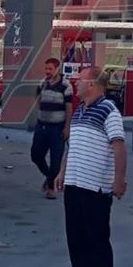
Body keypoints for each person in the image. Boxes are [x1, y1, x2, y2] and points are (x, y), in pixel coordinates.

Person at [55, 67, 127, 267]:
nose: (76, 83)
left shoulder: (109, 111)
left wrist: (119, 180)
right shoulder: (79, 111)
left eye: (81, 80)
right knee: (76, 238)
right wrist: (62, 172)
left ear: (93, 84)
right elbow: (71, 146)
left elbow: (118, 147)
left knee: (97, 241)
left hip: (95, 188)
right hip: (74, 184)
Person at [31, 58, 74, 200]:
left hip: (57, 129)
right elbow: (38, 100)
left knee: (56, 161)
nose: (47, 71)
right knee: (36, 155)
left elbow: (69, 108)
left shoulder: (66, 85)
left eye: (50, 69)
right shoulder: (42, 83)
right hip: (41, 126)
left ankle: (51, 188)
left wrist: (67, 127)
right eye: (46, 69)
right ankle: (49, 176)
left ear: (57, 69)